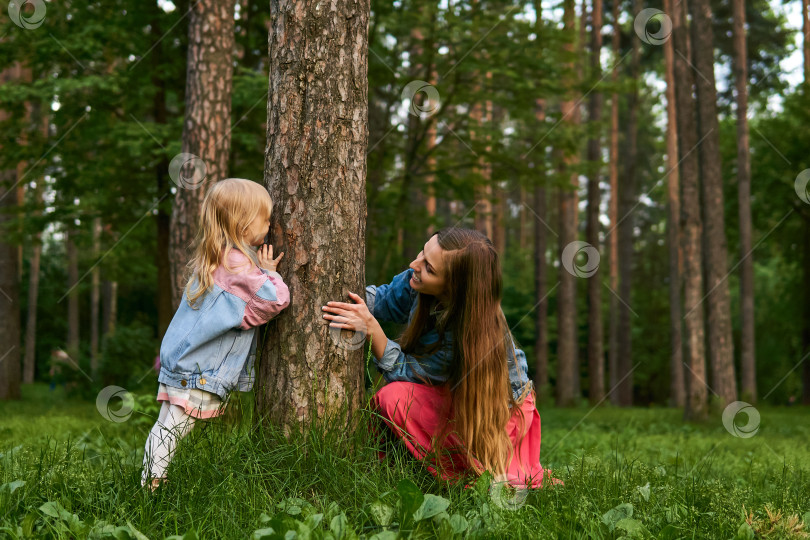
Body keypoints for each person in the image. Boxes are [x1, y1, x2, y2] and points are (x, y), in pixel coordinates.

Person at [322, 228, 558, 488]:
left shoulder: (466, 330)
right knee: (393, 400)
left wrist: (373, 331)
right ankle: (411, 462)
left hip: (498, 412)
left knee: (393, 398)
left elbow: (407, 372)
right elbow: (382, 299)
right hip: (453, 392)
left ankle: (475, 465)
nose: (415, 265)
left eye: (429, 268)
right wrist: (332, 295)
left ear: (453, 289)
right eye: (423, 252)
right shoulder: (416, 279)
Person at [141, 178, 289, 490]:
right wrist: (270, 273)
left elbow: (244, 313)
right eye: (265, 218)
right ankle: (152, 485)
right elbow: (276, 301)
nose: (270, 223)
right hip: (200, 369)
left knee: (166, 425)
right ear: (244, 224)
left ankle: (151, 479)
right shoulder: (238, 264)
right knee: (173, 430)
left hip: (184, 363)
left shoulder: (217, 256)